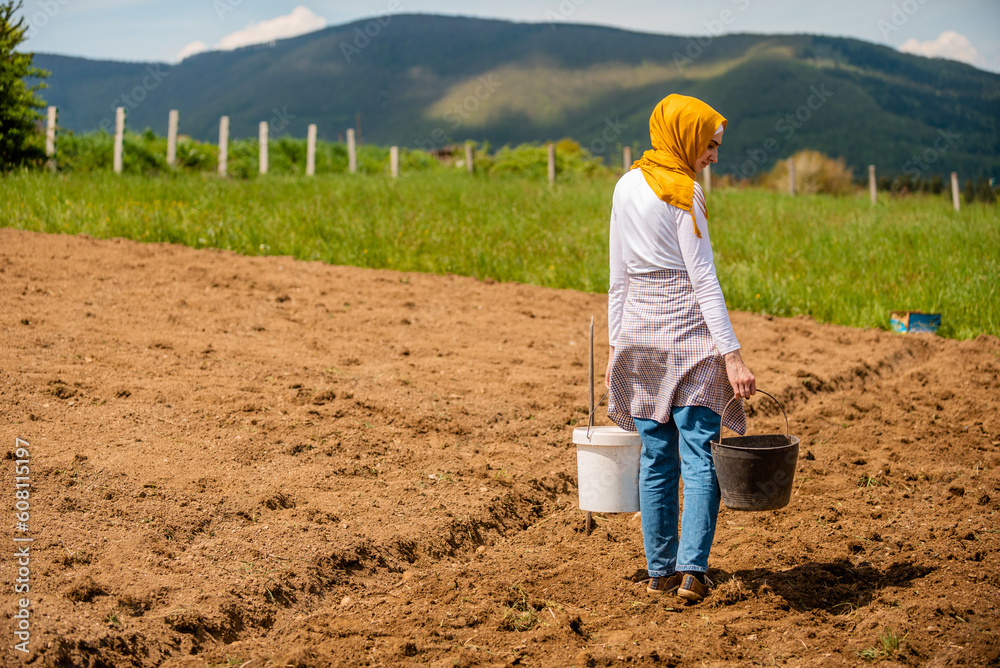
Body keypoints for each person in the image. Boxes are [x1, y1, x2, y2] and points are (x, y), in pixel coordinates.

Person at [605, 94, 756, 603]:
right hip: (691, 335)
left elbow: (618, 279)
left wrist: (615, 346)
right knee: (700, 455)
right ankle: (693, 570)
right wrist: (732, 354)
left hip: (642, 337)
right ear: (686, 137)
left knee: (656, 456)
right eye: (710, 145)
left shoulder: (624, 186)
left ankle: (659, 570)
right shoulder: (683, 191)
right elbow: (704, 279)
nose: (713, 156)